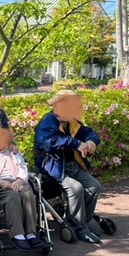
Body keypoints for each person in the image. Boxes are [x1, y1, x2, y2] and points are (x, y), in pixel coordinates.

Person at [34, 90, 102, 244]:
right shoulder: (48, 120)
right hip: (52, 167)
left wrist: (91, 141)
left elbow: (88, 132)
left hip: (72, 165)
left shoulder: (71, 121)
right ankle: (78, 227)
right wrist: (77, 144)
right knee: (75, 188)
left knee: (94, 186)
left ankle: (83, 222)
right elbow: (49, 142)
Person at [0, 122, 47, 252]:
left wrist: (20, 180)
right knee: (13, 196)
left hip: (17, 181)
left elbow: (23, 168)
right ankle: (18, 235)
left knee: (28, 194)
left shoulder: (13, 151)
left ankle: (31, 234)